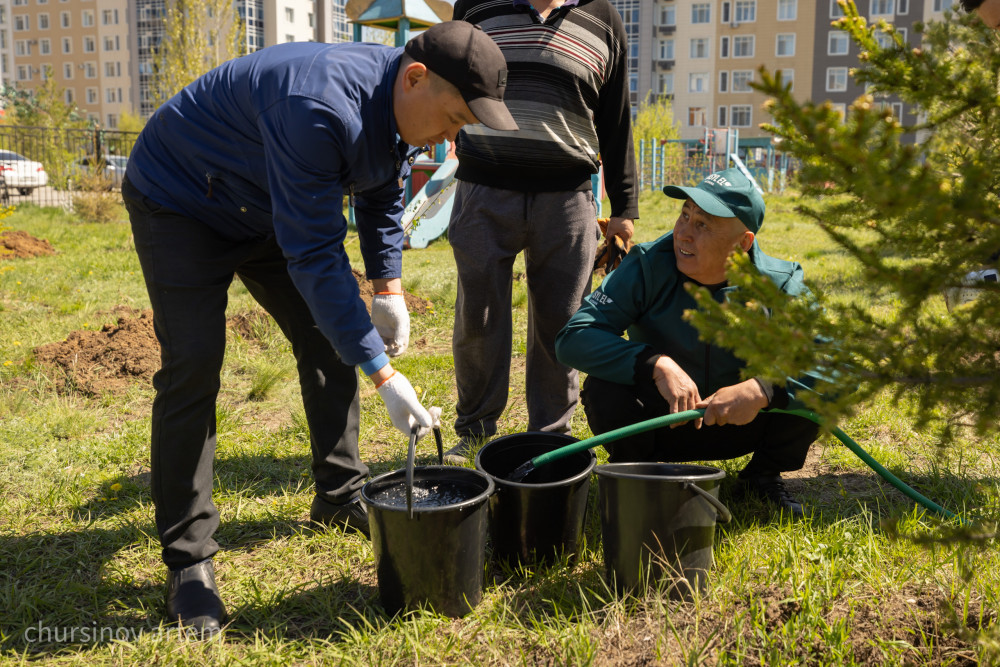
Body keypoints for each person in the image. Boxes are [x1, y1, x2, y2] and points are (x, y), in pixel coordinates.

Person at [122, 21, 516, 635]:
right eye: (456, 118)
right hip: (182, 199)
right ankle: (189, 561)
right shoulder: (319, 107)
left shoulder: (397, 100)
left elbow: (382, 191)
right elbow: (314, 255)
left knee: (332, 337)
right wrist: (383, 375)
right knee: (193, 363)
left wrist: (387, 288)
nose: (450, 140)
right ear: (417, 79)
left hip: (265, 200)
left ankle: (339, 493)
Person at [556, 168, 825, 518]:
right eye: (685, 215)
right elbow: (574, 337)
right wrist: (654, 363)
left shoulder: (780, 282)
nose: (683, 233)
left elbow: (832, 361)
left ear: (743, 243)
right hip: (659, 423)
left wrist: (763, 389)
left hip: (744, 425)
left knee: (811, 392)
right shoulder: (648, 265)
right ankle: (637, 472)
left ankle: (762, 475)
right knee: (605, 387)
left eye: (703, 225)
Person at [442, 0, 639, 463]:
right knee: (479, 318)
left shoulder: (604, 19)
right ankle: (474, 430)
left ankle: (550, 438)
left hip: (568, 197)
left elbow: (617, 118)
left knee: (563, 324)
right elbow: (447, 83)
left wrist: (624, 207)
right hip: (483, 188)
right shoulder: (475, 5)